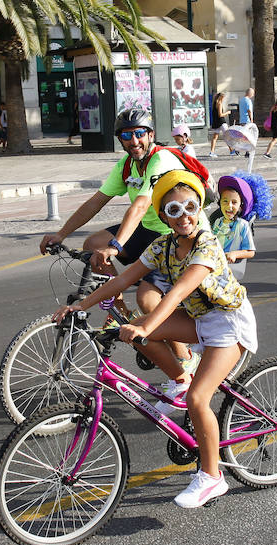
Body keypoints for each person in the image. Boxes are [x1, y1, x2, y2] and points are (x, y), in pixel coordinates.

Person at [53, 170, 258, 508]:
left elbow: (176, 294)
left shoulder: (206, 244)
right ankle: (178, 378)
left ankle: (211, 477)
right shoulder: (162, 245)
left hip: (229, 324)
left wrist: (147, 326)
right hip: (198, 320)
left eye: (190, 206)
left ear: (200, 207)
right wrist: (78, 306)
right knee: (131, 331)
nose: (184, 217)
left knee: (198, 399)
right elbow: (122, 281)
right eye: (174, 211)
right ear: (163, 217)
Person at [38, 109, 196, 372]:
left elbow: (141, 205)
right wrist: (61, 233)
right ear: (120, 140)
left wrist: (116, 246)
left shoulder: (162, 160)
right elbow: (96, 201)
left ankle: (185, 359)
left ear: (151, 135)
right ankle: (120, 313)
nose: (134, 141)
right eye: (126, 135)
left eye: (139, 134)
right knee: (92, 244)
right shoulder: (127, 165)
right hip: (147, 228)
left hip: (176, 232)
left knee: (148, 299)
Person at [212, 175, 257, 281]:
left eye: (234, 202)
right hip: (214, 267)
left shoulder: (242, 225)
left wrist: (235, 254)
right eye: (225, 201)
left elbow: (250, 252)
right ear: (220, 203)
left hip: (230, 272)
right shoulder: (217, 222)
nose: (229, 206)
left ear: (240, 205)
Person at [208, 92, 232, 158]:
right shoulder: (220, 103)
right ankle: (232, 150)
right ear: (221, 97)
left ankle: (212, 152)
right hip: (221, 122)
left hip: (216, 122)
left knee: (215, 138)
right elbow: (220, 115)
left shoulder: (214, 103)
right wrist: (227, 112)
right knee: (228, 136)